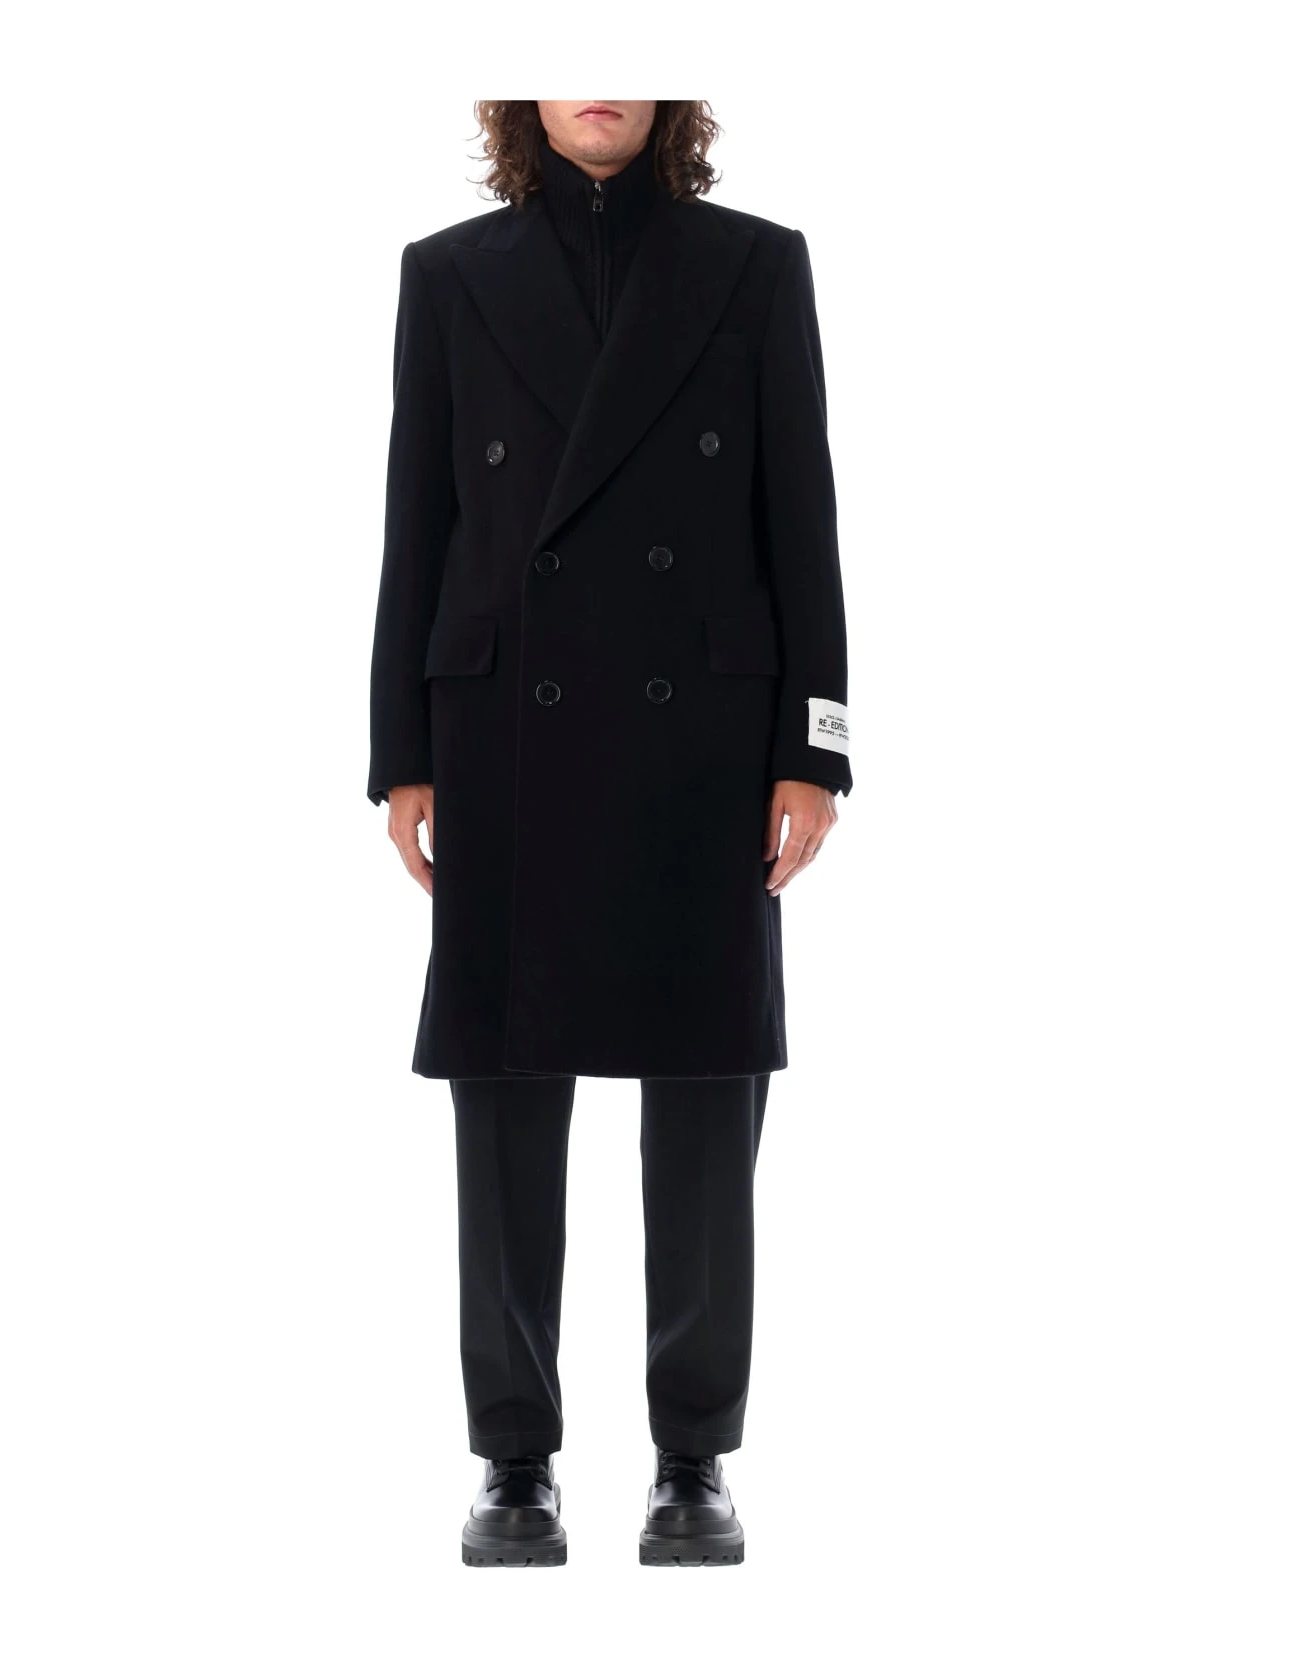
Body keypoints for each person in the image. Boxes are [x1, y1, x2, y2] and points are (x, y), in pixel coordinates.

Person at [368, 99, 851, 1567]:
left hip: (705, 736)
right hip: (504, 726)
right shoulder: (448, 275)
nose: (600, 82)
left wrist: (815, 747)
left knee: (705, 1099)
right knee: (505, 1102)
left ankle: (693, 1461)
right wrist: (400, 755)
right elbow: (416, 524)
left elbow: (803, 516)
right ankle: (512, 1462)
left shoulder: (756, 265)